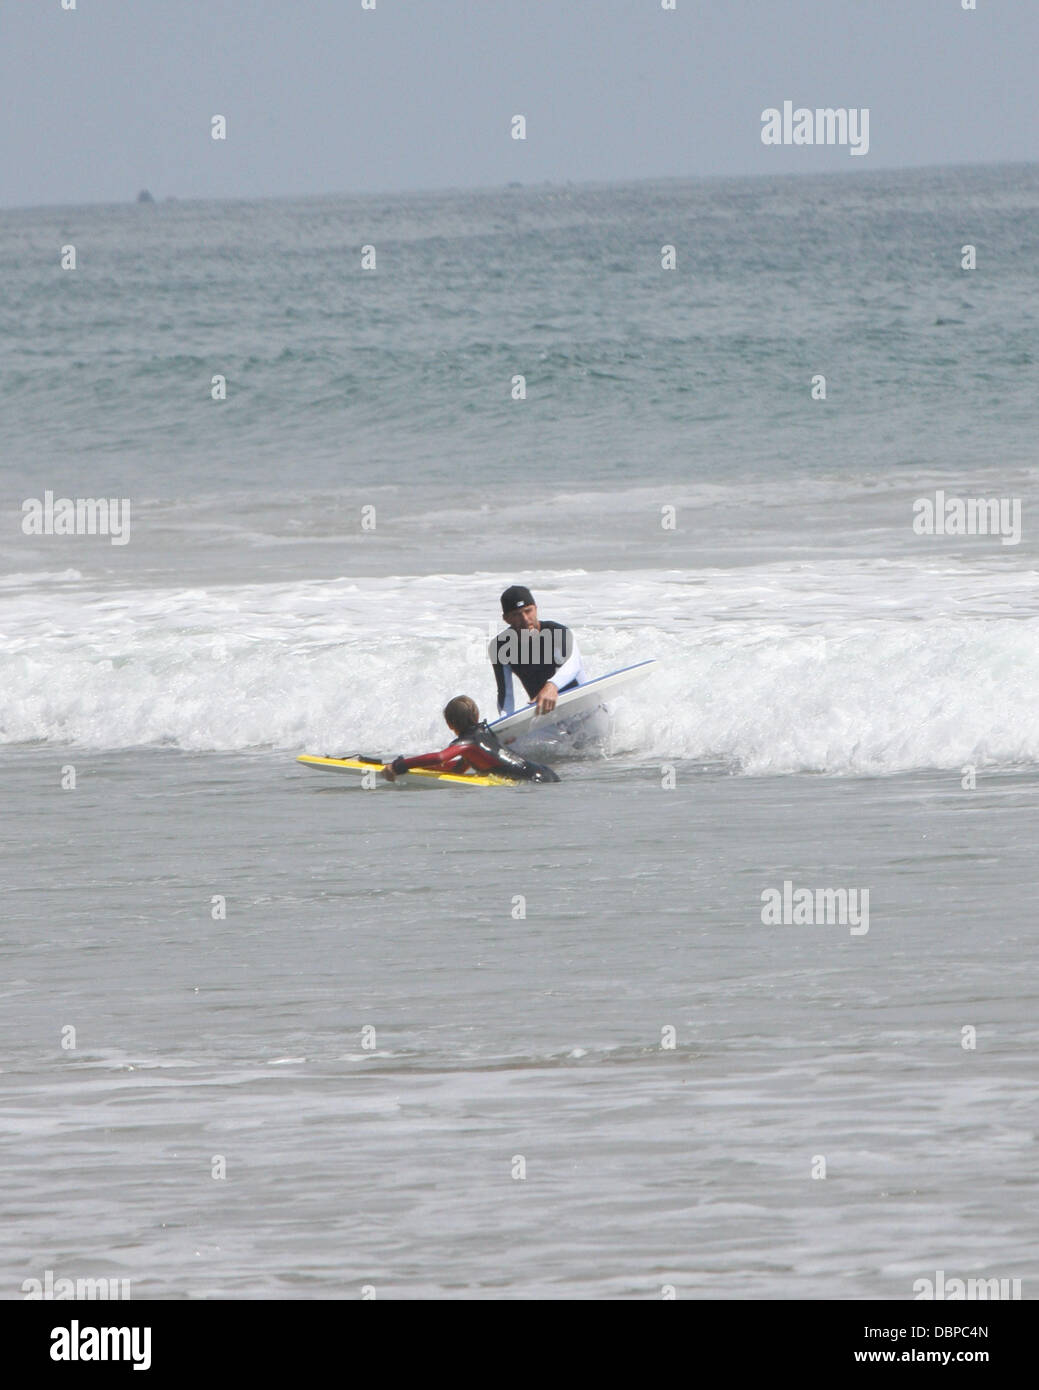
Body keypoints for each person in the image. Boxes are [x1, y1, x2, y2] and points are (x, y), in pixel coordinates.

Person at [381, 696, 560, 783]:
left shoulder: (467, 744)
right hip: (543, 772)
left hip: (534, 780)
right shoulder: (485, 735)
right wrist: (417, 765)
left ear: (449, 724)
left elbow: (440, 758)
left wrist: (399, 766)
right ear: (477, 715)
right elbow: (458, 769)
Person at [489, 585, 586, 716]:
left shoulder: (557, 633)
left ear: (536, 609)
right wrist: (506, 726)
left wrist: (552, 686)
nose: (525, 619)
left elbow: (574, 665)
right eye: (516, 614)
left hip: (586, 708)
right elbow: (506, 694)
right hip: (548, 719)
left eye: (528, 611)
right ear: (506, 618)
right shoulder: (501, 647)